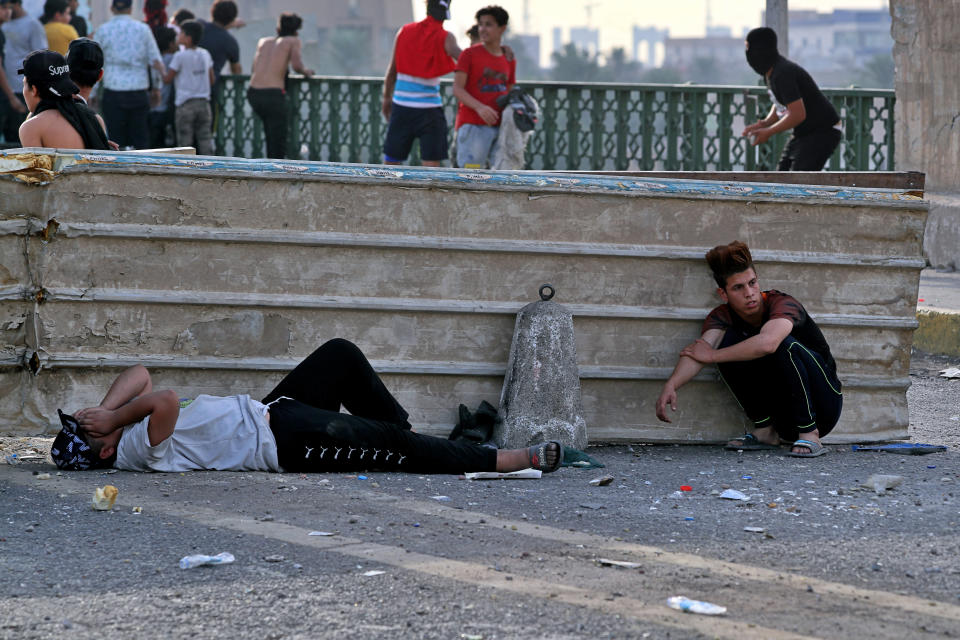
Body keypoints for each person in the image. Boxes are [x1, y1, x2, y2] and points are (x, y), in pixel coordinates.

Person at [49, 338, 563, 475]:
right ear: (100, 452)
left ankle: (397, 440)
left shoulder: (121, 431)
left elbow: (138, 373)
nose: (93, 418)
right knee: (394, 445)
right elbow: (157, 398)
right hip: (283, 442)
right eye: (87, 429)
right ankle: (509, 460)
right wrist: (115, 422)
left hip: (273, 410)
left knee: (340, 355)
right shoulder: (137, 450)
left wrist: (102, 414)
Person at [655, 241, 842, 458]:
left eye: (752, 283)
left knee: (781, 344)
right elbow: (699, 351)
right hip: (783, 413)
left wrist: (712, 355)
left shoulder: (782, 303)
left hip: (824, 405)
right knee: (728, 343)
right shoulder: (722, 316)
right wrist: (671, 385)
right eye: (738, 287)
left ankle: (810, 434)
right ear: (723, 294)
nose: (750, 293)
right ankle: (765, 431)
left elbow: (768, 343)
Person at [741, 27, 842, 171]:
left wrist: (769, 131)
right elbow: (780, 103)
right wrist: (764, 123)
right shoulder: (770, 74)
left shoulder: (783, 73)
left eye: (749, 48)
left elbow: (798, 114)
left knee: (797, 181)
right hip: (803, 132)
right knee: (782, 177)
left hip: (823, 131)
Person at [381, 0, 460, 167]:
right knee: (431, 167)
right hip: (429, 110)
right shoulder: (446, 37)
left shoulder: (405, 31)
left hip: (401, 106)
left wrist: (386, 97)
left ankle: (389, 193)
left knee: (391, 162)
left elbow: (393, 69)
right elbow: (466, 60)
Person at [94, 0, 164, 150]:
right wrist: (157, 88)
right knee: (141, 140)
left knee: (115, 141)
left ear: (112, 8)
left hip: (113, 91)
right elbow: (156, 61)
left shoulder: (103, 30)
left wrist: (92, 92)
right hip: (138, 92)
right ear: (131, 9)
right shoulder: (143, 30)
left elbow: (95, 63)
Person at [452, 5, 515, 169]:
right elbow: (457, 89)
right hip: (473, 126)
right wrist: (480, 108)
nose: (482, 29)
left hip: (500, 128)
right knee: (471, 177)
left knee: (500, 180)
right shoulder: (469, 55)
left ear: (502, 28)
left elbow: (509, 89)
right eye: (481, 24)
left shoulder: (509, 58)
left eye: (489, 24)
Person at [246, 12, 311, 159]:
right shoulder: (293, 41)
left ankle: (268, 165)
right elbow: (297, 65)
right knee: (278, 139)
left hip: (254, 93)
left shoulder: (263, 41)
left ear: (278, 28)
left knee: (270, 133)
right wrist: (307, 71)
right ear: (296, 30)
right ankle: (276, 171)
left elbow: (254, 67)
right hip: (273, 94)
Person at [16, 48, 108, 149]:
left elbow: (35, 164)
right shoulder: (95, 119)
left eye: (24, 84)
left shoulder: (32, 127)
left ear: (34, 89)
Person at [162, 19, 212, 155]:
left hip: (185, 104)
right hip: (204, 103)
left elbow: (168, 79)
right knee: (205, 139)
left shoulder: (180, 56)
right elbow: (211, 78)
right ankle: (210, 169)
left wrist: (160, 69)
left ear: (188, 38)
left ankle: (186, 168)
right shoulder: (205, 54)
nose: (179, 36)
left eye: (182, 33)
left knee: (185, 143)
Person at [1, 0, 46, 144]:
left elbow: (41, 57)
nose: (7, 11)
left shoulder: (32, 25)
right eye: (4, 7)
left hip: (23, 89)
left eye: (9, 7)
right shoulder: (4, 24)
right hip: (5, 89)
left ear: (17, 5)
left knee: (19, 138)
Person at [198, 0, 240, 101]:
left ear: (212, 12)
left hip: (184, 89)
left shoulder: (199, 26)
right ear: (232, 18)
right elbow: (236, 70)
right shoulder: (230, 41)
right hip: (209, 92)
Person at [147, 25, 176, 147]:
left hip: (150, 106)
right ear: (170, 44)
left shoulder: (152, 59)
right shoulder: (173, 58)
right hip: (163, 108)